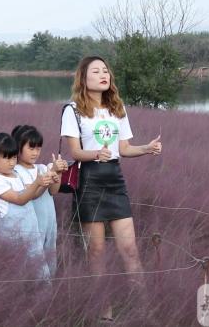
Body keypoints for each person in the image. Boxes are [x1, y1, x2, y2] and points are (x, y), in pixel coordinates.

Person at [60, 56, 162, 320]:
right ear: (84, 78)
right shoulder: (72, 110)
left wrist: (147, 148)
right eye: (96, 71)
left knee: (130, 249)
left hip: (115, 180)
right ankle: (105, 312)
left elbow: (124, 148)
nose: (104, 75)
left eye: (106, 70)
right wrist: (96, 154)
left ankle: (144, 309)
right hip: (89, 181)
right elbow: (75, 152)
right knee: (96, 251)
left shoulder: (117, 108)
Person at [0, 130, 56, 280]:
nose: (12, 162)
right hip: (12, 241)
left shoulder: (15, 175)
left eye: (14, 157)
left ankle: (44, 300)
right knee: (16, 275)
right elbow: (20, 199)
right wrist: (37, 182)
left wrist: (45, 183)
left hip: (32, 237)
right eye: (6, 158)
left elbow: (33, 195)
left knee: (38, 273)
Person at [11, 125, 68, 276]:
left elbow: (53, 191)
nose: (35, 152)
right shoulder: (16, 172)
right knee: (32, 261)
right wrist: (49, 175)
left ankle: (48, 292)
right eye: (31, 148)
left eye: (38, 148)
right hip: (31, 227)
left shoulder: (42, 168)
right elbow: (32, 194)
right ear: (18, 148)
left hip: (49, 223)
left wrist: (58, 173)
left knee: (49, 254)